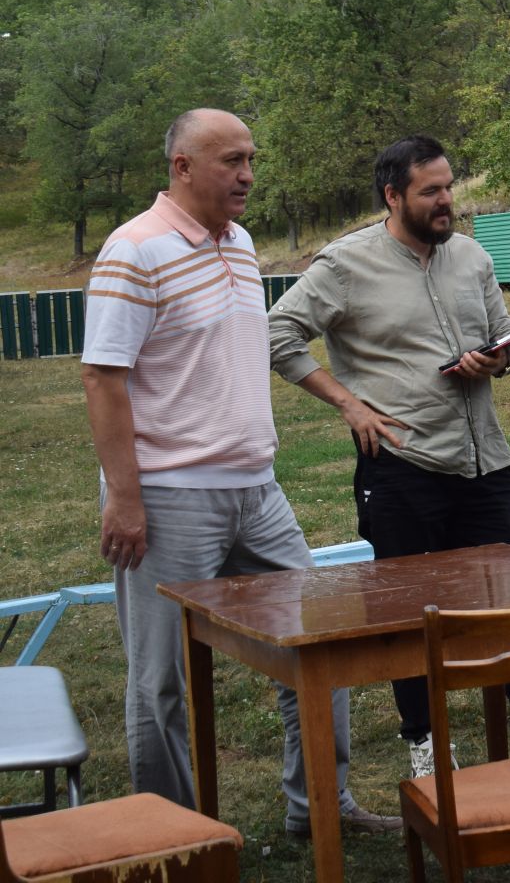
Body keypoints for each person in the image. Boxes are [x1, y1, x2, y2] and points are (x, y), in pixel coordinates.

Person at [80, 108, 396, 837]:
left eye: (251, 158)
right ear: (182, 167)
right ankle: (173, 834)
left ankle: (321, 806)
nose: (248, 175)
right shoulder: (135, 249)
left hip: (257, 488)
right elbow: (103, 378)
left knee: (316, 639)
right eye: (231, 161)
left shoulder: (240, 241)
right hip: (167, 496)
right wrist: (125, 496)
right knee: (161, 679)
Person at [267, 134, 510, 776]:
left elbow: (508, 343)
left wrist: (498, 357)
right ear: (393, 195)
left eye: (449, 187)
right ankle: (428, 749)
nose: (446, 202)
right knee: (412, 615)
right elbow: (277, 334)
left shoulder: (471, 256)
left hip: (484, 460)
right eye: (431, 191)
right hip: (403, 466)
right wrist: (350, 404)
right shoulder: (345, 264)